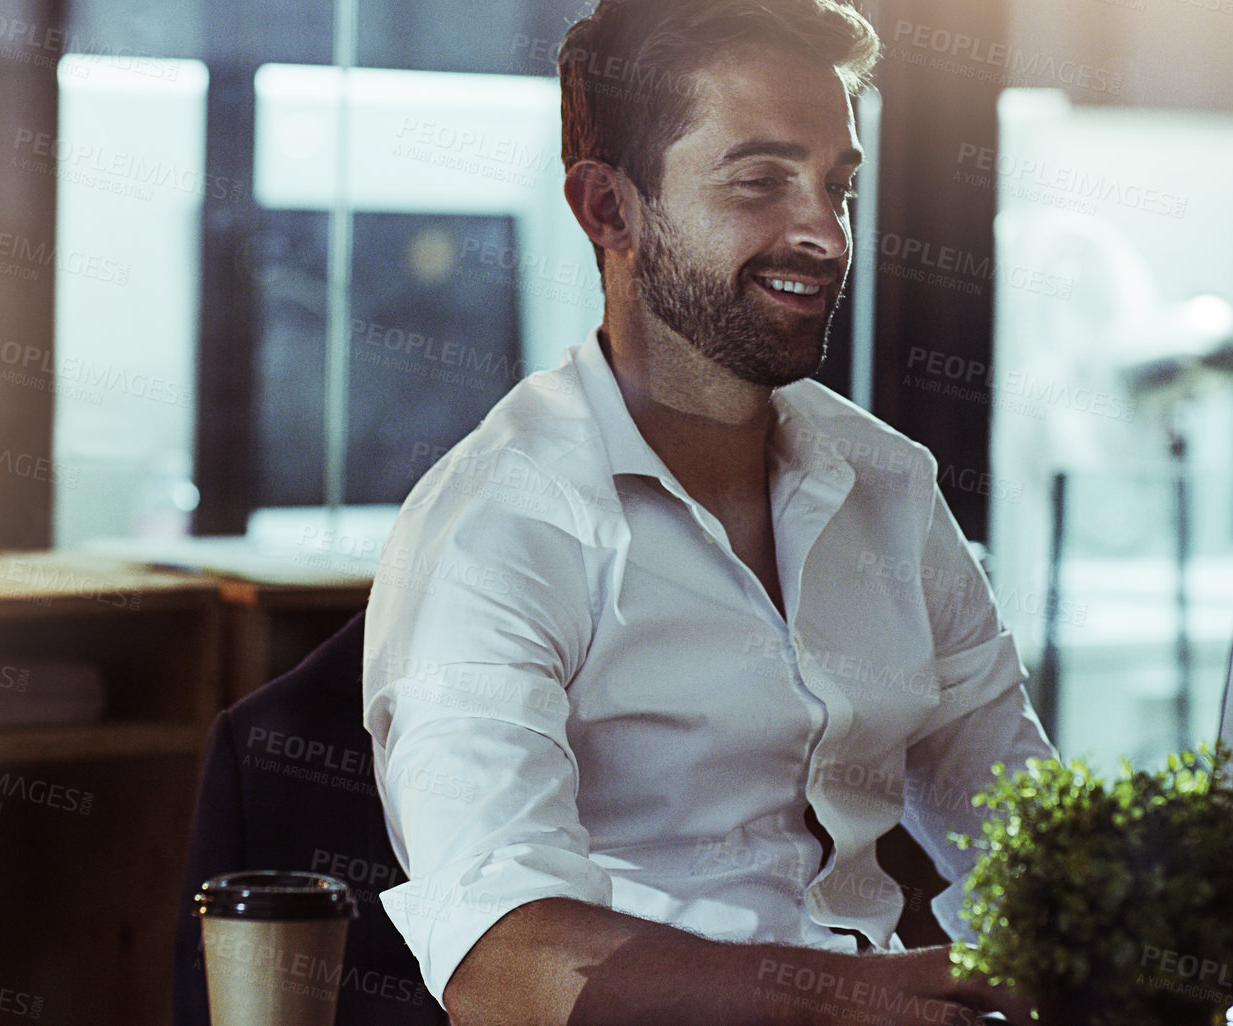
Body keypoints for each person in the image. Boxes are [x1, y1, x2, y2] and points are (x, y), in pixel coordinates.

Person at [361, 1, 1058, 1023]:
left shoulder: (889, 484)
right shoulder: (504, 524)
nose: (822, 233)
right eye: (760, 182)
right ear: (609, 210)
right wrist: (848, 999)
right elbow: (500, 960)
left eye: (838, 186)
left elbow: (1020, 830)